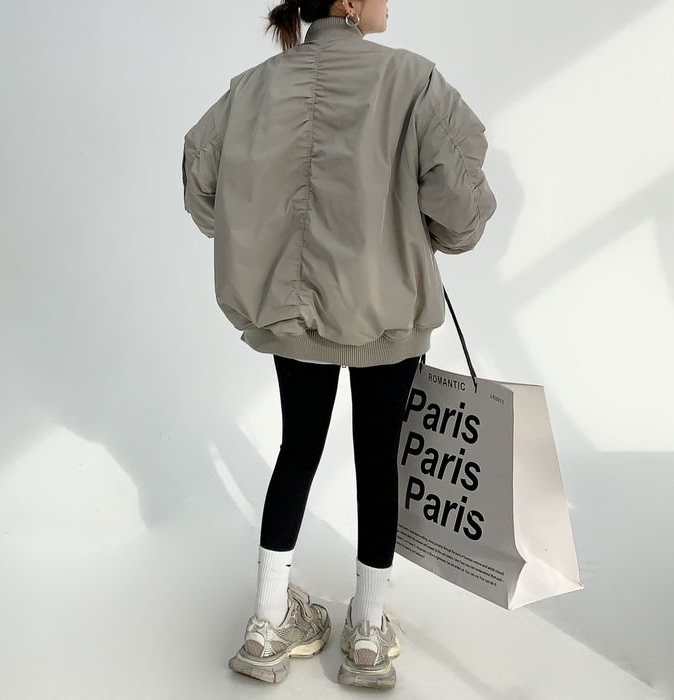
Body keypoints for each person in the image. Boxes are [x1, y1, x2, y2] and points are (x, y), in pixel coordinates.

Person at [182, 0, 497, 689]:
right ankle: (367, 634)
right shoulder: (414, 80)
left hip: (290, 314)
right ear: (349, 2)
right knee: (379, 457)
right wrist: (430, 236)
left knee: (297, 449)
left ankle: (266, 625)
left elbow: (201, 181)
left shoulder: (254, 87)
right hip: (386, 312)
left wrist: (256, 235)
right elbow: (461, 201)